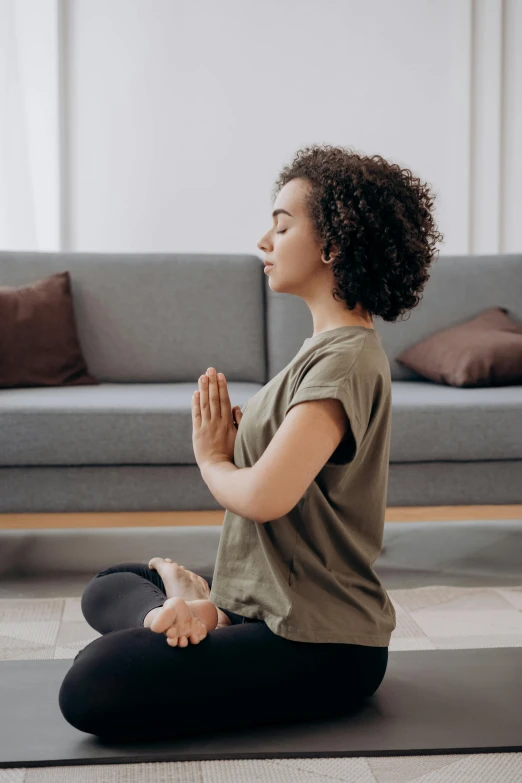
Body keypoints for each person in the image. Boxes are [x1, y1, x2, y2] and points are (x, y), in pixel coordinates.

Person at [59, 144, 444, 743]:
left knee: (92, 683)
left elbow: (266, 497)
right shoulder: (323, 354)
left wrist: (213, 457)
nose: (264, 242)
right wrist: (244, 439)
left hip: (322, 642)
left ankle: (191, 614)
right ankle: (192, 610)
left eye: (282, 225)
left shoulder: (344, 361)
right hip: (260, 607)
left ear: (332, 244)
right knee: (111, 581)